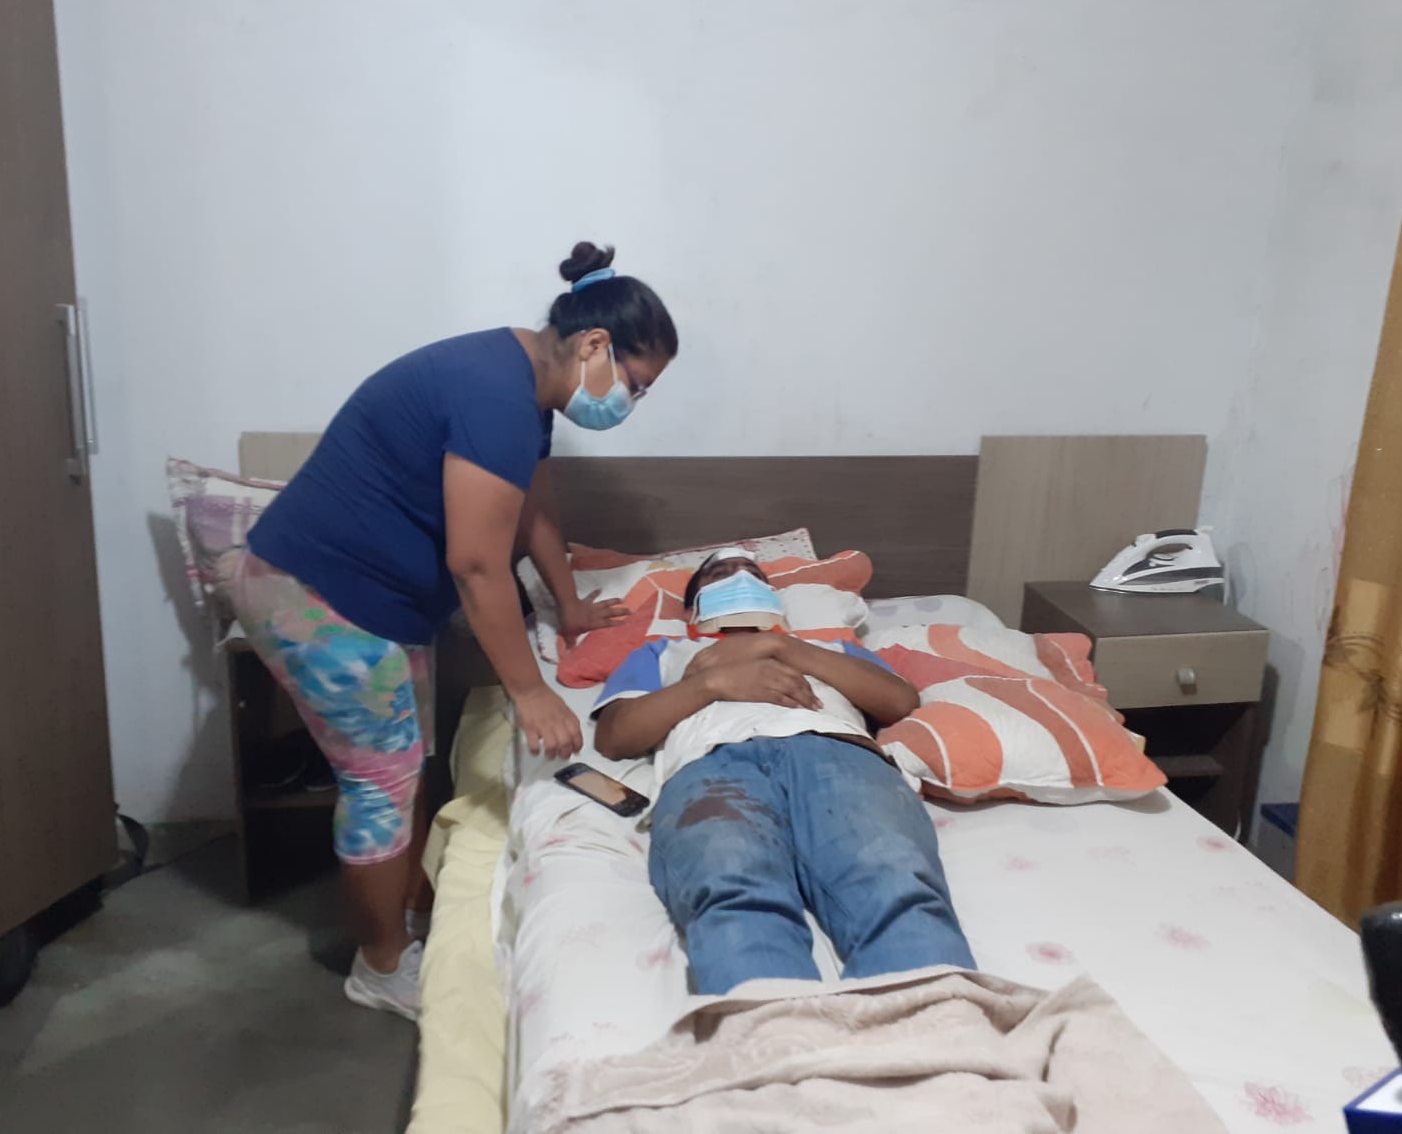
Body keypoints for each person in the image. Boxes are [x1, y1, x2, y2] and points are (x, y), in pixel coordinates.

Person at [231, 242, 676, 1017]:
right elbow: (475, 562)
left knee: (404, 765)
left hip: (371, 600)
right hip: (316, 594)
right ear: (595, 345)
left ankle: (402, 926)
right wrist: (529, 691)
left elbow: (533, 509)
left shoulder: (525, 390)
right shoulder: (494, 397)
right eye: (635, 385)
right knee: (381, 780)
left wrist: (569, 605)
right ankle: (379, 966)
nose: (631, 403)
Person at [592, 549, 975, 996]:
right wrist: (710, 684)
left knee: (892, 876)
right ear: (694, 609)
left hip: (837, 752)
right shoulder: (665, 652)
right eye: (721, 573)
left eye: (753, 574)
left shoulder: (830, 649)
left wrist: (781, 647)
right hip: (712, 763)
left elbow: (900, 702)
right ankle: (770, 1028)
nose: (739, 577)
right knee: (729, 880)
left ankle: (934, 1021)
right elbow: (615, 737)